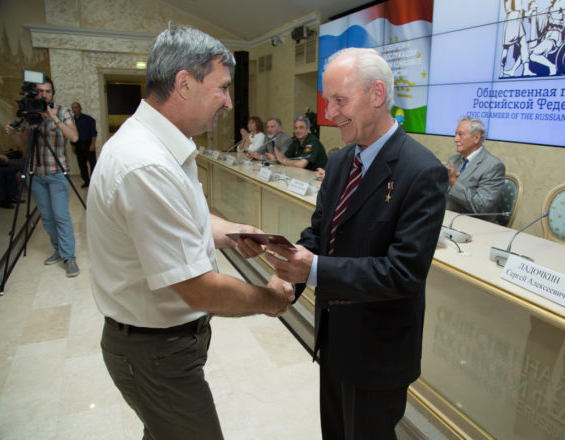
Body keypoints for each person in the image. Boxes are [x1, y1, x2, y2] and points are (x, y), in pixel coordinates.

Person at [85, 25, 294, 440]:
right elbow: (201, 290)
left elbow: (190, 220)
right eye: (222, 88)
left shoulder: (166, 146)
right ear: (184, 84)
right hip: (155, 352)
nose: (228, 102)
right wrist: (270, 298)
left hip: (164, 347)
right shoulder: (146, 164)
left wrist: (235, 231)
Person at [265, 47, 448, 440]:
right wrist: (289, 275)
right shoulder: (339, 161)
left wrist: (313, 270)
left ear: (377, 94)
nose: (330, 113)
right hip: (333, 338)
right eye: (327, 100)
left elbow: (404, 272)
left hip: (377, 352)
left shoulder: (422, 171)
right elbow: (320, 233)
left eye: (339, 100)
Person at [5, 76, 80, 277]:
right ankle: (58, 249)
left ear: (52, 93)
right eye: (40, 91)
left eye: (48, 91)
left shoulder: (62, 112)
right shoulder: (30, 115)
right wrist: (13, 134)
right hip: (35, 174)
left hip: (56, 172)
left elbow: (74, 136)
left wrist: (52, 117)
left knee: (60, 216)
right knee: (46, 217)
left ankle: (69, 257)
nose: (44, 95)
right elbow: (22, 143)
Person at [446, 117, 506, 223]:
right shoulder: (453, 160)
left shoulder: (493, 166)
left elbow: (481, 206)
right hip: (448, 219)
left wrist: (454, 184)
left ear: (476, 138)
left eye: (460, 135)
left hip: (475, 225)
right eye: (455, 135)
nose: (455, 139)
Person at [70, 102, 98, 188]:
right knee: (82, 165)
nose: (75, 109)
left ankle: (94, 182)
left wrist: (92, 144)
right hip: (78, 145)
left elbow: (94, 133)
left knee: (92, 164)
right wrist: (73, 146)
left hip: (88, 144)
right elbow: (70, 133)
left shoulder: (88, 119)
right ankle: (86, 181)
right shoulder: (71, 121)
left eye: (76, 107)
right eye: (73, 108)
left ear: (80, 108)